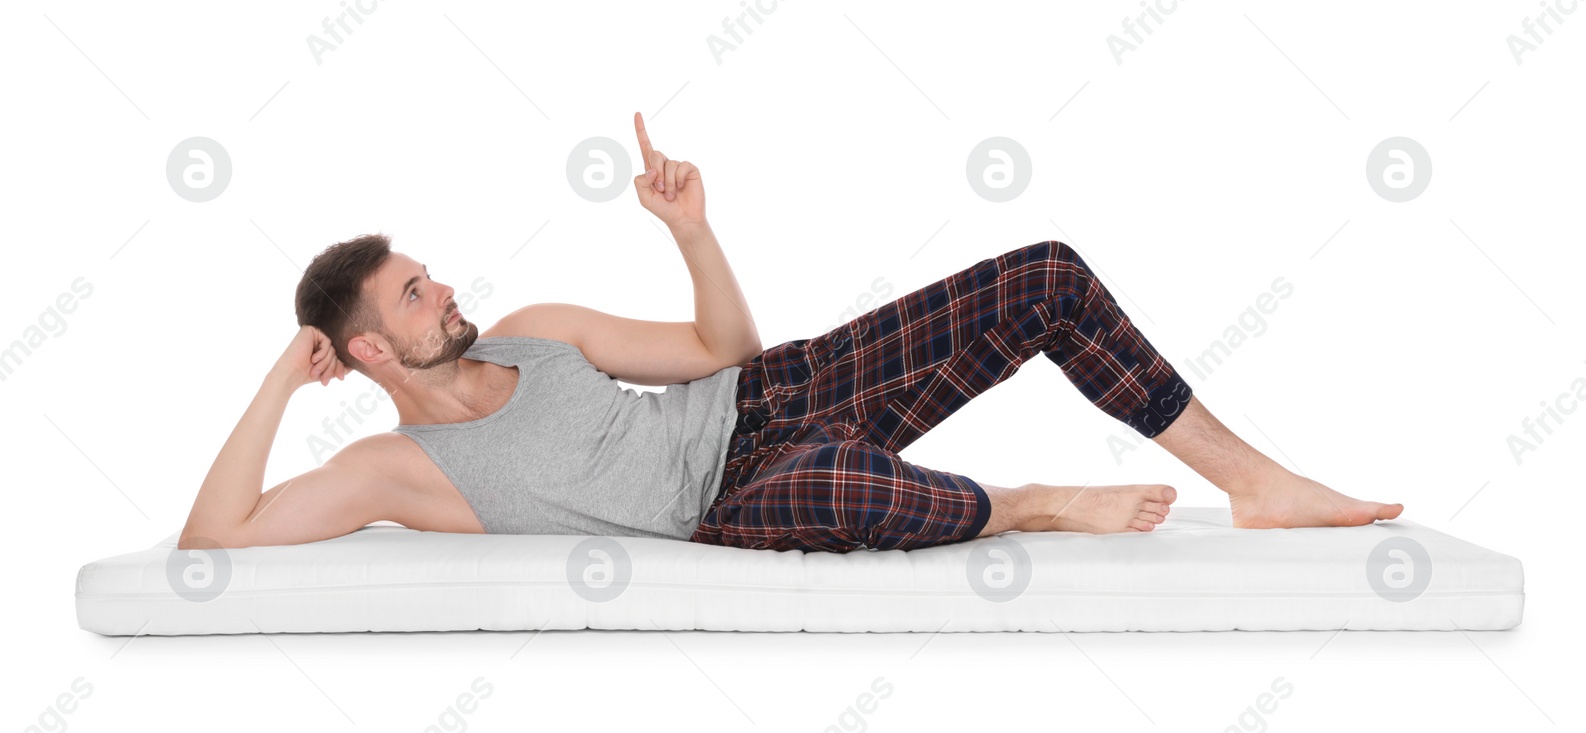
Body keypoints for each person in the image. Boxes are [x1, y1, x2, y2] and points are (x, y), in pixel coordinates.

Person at [178, 113, 1402, 552]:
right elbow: (214, 533)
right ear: (372, 353)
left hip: (762, 397)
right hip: (734, 496)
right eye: (411, 298)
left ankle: (1254, 482)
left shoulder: (542, 329)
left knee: (1043, 275)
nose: (441, 294)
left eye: (427, 277)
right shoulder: (393, 471)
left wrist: (690, 232)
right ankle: (1025, 503)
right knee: (853, 489)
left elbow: (722, 349)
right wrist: (285, 376)